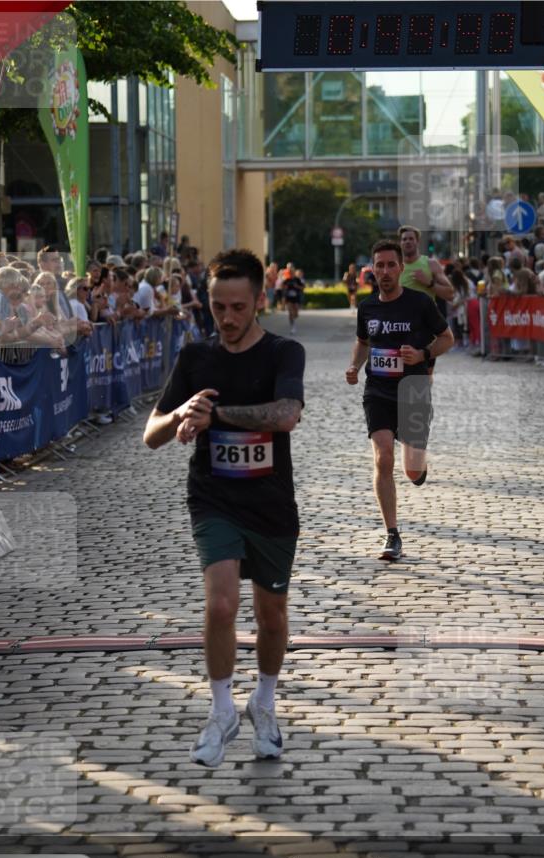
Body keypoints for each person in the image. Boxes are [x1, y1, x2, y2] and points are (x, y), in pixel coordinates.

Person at [143, 248, 305, 768]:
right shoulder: (196, 358)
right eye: (218, 307)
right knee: (220, 605)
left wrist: (217, 416)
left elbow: (286, 415)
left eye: (237, 307)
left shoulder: (284, 352)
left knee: (271, 616)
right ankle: (220, 711)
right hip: (213, 497)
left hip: (271, 503)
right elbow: (151, 434)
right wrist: (181, 415)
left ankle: (264, 702)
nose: (227, 318)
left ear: (259, 301)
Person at [345, 240, 454, 561]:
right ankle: (392, 533)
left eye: (391, 265)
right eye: (379, 265)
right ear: (372, 269)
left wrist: (422, 354)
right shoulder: (367, 307)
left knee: (412, 471)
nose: (385, 271)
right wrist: (354, 366)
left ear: (400, 268)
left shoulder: (420, 303)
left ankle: (419, 467)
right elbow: (363, 342)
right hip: (377, 391)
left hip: (413, 390)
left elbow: (447, 338)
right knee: (383, 458)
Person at [398, 226, 453, 380]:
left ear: (417, 241)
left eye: (411, 239)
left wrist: (429, 283)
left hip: (424, 327)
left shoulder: (430, 264)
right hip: (399, 325)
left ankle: (423, 394)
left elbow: (450, 293)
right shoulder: (395, 266)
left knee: (425, 374)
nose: (407, 242)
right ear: (400, 243)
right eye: (404, 239)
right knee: (399, 371)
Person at [283, 266, 305, 335]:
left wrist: (297, 286)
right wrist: (285, 288)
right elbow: (282, 288)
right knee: (290, 312)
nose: (291, 273)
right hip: (289, 298)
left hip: (296, 298)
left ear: (294, 272)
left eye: (292, 272)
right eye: (290, 272)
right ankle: (292, 326)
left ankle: (294, 319)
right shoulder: (287, 280)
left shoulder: (297, 280)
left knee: (296, 314)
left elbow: (303, 287)